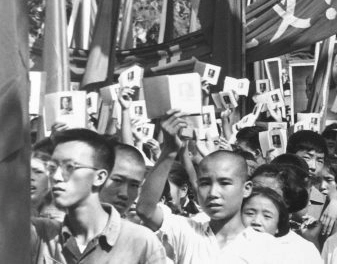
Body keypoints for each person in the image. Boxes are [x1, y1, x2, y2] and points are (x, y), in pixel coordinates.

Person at [136, 110, 277, 263]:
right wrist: (169, 150)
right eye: (204, 183)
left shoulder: (266, 247)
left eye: (224, 183)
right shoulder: (188, 232)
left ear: (246, 188)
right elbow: (146, 210)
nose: (213, 193)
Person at [31, 129, 167, 263]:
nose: (57, 177)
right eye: (53, 168)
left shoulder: (141, 243)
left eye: (70, 167)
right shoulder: (42, 235)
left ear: (100, 177)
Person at [99, 143, 147, 217]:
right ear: (98, 177)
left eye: (134, 185)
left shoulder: (134, 228)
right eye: (117, 180)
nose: (124, 194)